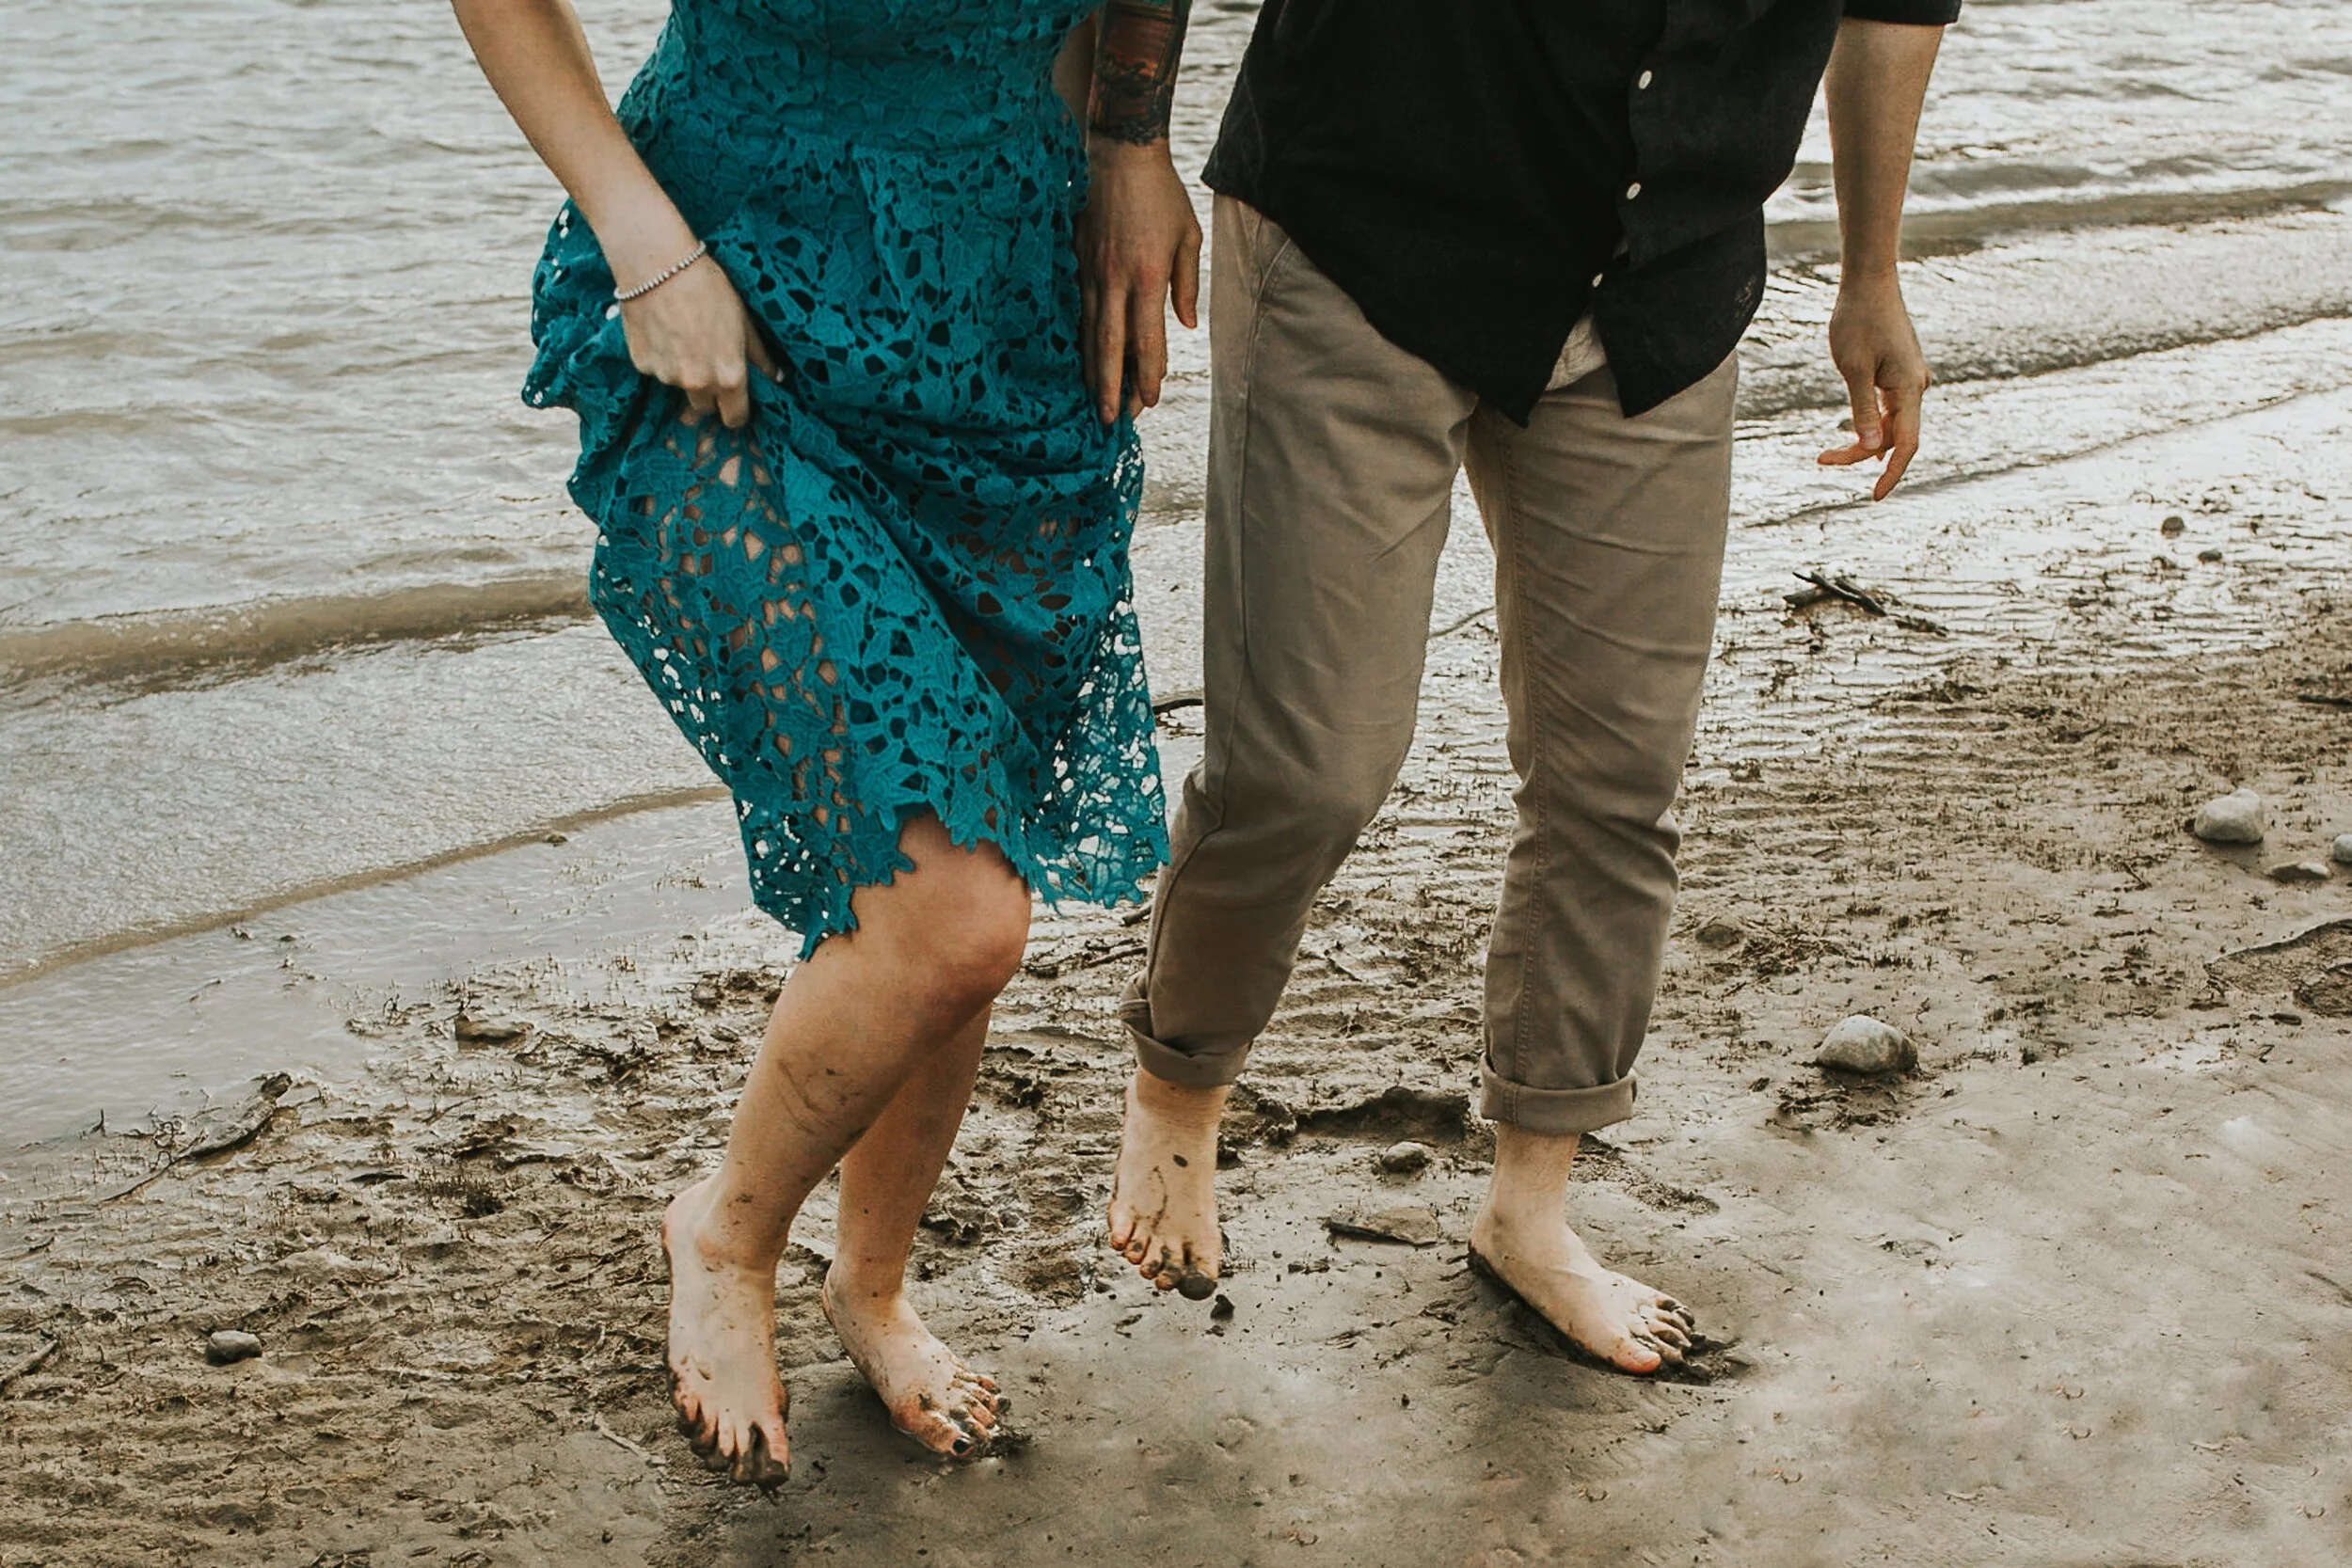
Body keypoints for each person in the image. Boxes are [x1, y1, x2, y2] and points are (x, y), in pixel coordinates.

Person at [1090, 0, 1960, 1373]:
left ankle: (1530, 1207)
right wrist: (1127, 142)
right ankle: (1180, 1081)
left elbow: (1892, 13)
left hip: (1652, 286)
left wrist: (1872, 270)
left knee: (1616, 780)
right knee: (1304, 768)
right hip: (1358, 225)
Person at [453, 0, 1193, 1485]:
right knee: (955, 912)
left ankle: (871, 1285)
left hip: (1008, 330)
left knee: (957, 847)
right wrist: (642, 242)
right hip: (727, 303)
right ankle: (724, 1232)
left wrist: (1132, 135)